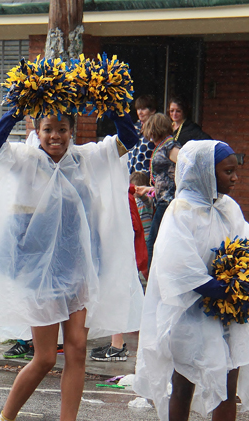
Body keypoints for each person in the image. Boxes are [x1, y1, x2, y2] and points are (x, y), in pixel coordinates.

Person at [0, 108, 143, 421]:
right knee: (46, 357)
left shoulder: (84, 159)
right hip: (38, 275)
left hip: (76, 271)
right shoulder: (26, 160)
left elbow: (129, 139)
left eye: (62, 129)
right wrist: (13, 109)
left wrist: (113, 102)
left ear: (71, 131)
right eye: (48, 129)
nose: (55, 136)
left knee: (78, 348)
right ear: (37, 131)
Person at [134, 140, 249, 421]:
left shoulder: (229, 209)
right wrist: (219, 287)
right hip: (190, 312)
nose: (236, 177)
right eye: (228, 171)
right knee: (183, 383)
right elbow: (175, 263)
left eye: (235, 169)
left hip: (226, 315)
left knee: (228, 383)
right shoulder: (180, 211)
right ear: (203, 173)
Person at [90, 170, 149, 362]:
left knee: (118, 295)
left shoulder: (121, 196)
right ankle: (117, 343)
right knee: (115, 294)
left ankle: (118, 346)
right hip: (118, 251)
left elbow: (131, 225)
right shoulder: (120, 193)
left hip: (119, 252)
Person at [144, 113, 180, 269]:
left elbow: (185, 165)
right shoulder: (163, 145)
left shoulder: (170, 146)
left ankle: (153, 280)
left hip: (168, 201)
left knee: (153, 241)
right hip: (162, 200)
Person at [127, 94, 158, 175]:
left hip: (146, 177)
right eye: (138, 109)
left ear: (152, 110)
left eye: (143, 109)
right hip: (130, 176)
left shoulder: (157, 129)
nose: (140, 112)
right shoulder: (134, 128)